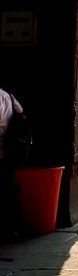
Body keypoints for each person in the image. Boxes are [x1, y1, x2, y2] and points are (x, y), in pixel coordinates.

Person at [0, 87, 23, 240]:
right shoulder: (8, 96)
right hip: (7, 152)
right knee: (7, 191)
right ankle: (10, 229)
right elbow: (21, 112)